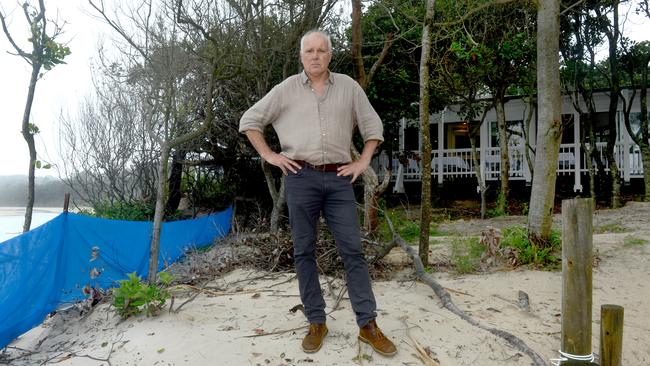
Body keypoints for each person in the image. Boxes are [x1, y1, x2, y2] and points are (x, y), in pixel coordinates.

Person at [238, 29, 397, 357]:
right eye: (309, 51)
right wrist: (270, 155)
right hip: (300, 178)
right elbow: (250, 120)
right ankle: (316, 321)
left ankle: (368, 325)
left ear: (329, 55)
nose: (315, 56)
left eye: (321, 50)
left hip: (339, 179)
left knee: (353, 251)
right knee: (304, 251)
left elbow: (373, 128)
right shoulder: (286, 90)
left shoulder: (349, 88)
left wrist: (363, 161)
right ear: (301, 56)